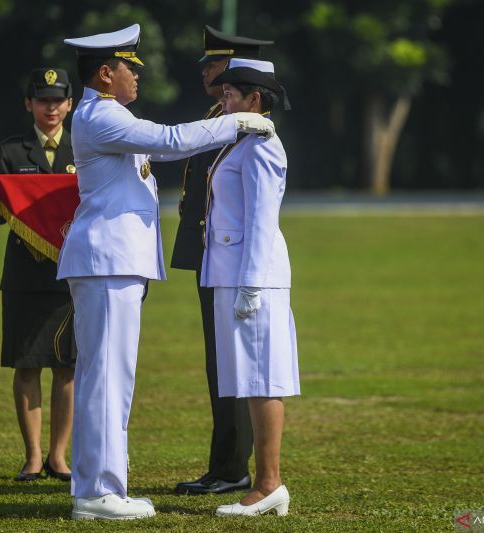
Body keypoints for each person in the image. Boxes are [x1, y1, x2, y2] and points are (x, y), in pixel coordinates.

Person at [57, 24, 276, 520]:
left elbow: (162, 145)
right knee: (107, 379)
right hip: (105, 261)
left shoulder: (111, 114)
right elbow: (171, 139)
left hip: (114, 263)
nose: (138, 73)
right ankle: (97, 493)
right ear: (106, 73)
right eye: (130, 67)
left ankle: (104, 484)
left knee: (111, 377)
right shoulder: (100, 115)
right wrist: (239, 122)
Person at [172, 25, 275, 497]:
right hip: (212, 253)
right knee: (221, 366)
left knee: (234, 366)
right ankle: (225, 464)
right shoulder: (221, 115)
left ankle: (233, 466)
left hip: (231, 258)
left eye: (216, 66)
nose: (208, 73)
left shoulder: (247, 125)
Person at [199, 58, 299, 517]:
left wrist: (251, 285)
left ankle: (268, 483)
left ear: (254, 100)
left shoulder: (260, 145)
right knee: (249, 380)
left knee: (263, 379)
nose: (223, 101)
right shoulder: (238, 140)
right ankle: (266, 483)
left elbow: (262, 221)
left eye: (231, 95)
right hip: (232, 273)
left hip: (250, 276)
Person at [0, 67, 76, 483]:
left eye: (58, 100)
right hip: (24, 273)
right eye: (43, 100)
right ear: (29, 104)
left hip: (70, 275)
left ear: (70, 104)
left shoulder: (85, 148)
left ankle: (59, 457)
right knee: (26, 366)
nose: (51, 108)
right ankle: (32, 456)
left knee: (66, 365)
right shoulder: (11, 151)